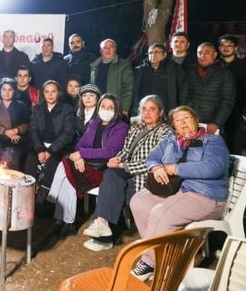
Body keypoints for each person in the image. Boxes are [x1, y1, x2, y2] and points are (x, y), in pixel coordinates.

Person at [129, 105, 229, 282]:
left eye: (186, 118)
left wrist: (176, 168)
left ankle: (149, 262)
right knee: (139, 200)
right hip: (176, 192)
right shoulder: (170, 139)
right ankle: (163, 255)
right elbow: (152, 157)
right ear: (173, 125)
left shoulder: (212, 141)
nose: (182, 123)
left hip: (204, 195)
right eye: (177, 120)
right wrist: (156, 167)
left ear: (195, 120)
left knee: (161, 213)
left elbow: (214, 167)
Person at [82, 95, 173, 251]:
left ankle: (105, 235)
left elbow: (155, 161)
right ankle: (102, 227)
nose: (147, 113)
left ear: (161, 112)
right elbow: (126, 150)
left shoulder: (165, 132)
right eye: (144, 109)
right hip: (127, 170)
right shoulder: (137, 127)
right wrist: (117, 158)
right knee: (112, 176)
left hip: (146, 174)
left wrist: (124, 165)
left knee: (114, 184)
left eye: (152, 109)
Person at [47, 93, 129, 237]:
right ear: (99, 107)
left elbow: (110, 152)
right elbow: (81, 143)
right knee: (67, 170)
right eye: (103, 106)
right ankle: (63, 221)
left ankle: (59, 210)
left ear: (117, 109)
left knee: (67, 173)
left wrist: (82, 154)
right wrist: (80, 157)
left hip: (103, 168)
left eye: (111, 107)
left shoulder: (121, 127)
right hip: (86, 163)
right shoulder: (94, 123)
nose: (106, 110)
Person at [23, 81, 77, 186]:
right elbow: (33, 131)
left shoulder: (66, 109)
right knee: (30, 158)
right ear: (43, 93)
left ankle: (44, 193)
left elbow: (68, 134)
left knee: (53, 162)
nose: (50, 95)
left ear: (59, 93)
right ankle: (28, 189)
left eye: (53, 91)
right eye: (47, 92)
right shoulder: (38, 109)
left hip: (59, 148)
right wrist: (39, 150)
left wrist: (50, 151)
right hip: (41, 146)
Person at [185, 42, 236, 134]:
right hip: (190, 120)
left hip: (211, 124)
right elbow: (184, 96)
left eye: (207, 53)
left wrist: (216, 122)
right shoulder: (190, 72)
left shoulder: (225, 74)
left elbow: (228, 101)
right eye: (199, 53)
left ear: (215, 55)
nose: (202, 56)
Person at [0, 78, 30, 170]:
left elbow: (27, 124)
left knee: (16, 153)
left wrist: (16, 130)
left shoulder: (21, 106)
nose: (6, 92)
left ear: (14, 91)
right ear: (0, 91)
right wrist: (5, 132)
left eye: (10, 90)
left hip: (16, 139)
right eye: (4, 89)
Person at [132, 43, 186, 116]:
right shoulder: (139, 71)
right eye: (150, 52)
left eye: (157, 52)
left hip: (166, 110)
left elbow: (182, 90)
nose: (153, 55)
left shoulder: (174, 70)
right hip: (144, 110)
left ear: (165, 55)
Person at [218, 34, 246, 154]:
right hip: (216, 112)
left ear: (235, 48)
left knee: (234, 147)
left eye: (229, 45)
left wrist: (244, 113)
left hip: (237, 112)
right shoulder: (214, 64)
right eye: (223, 45)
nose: (226, 48)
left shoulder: (243, 65)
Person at [90, 38, 134, 115]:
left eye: (111, 47)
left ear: (115, 49)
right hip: (97, 107)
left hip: (115, 107)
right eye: (105, 47)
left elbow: (128, 88)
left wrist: (124, 108)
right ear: (101, 51)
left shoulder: (124, 65)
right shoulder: (94, 66)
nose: (108, 50)